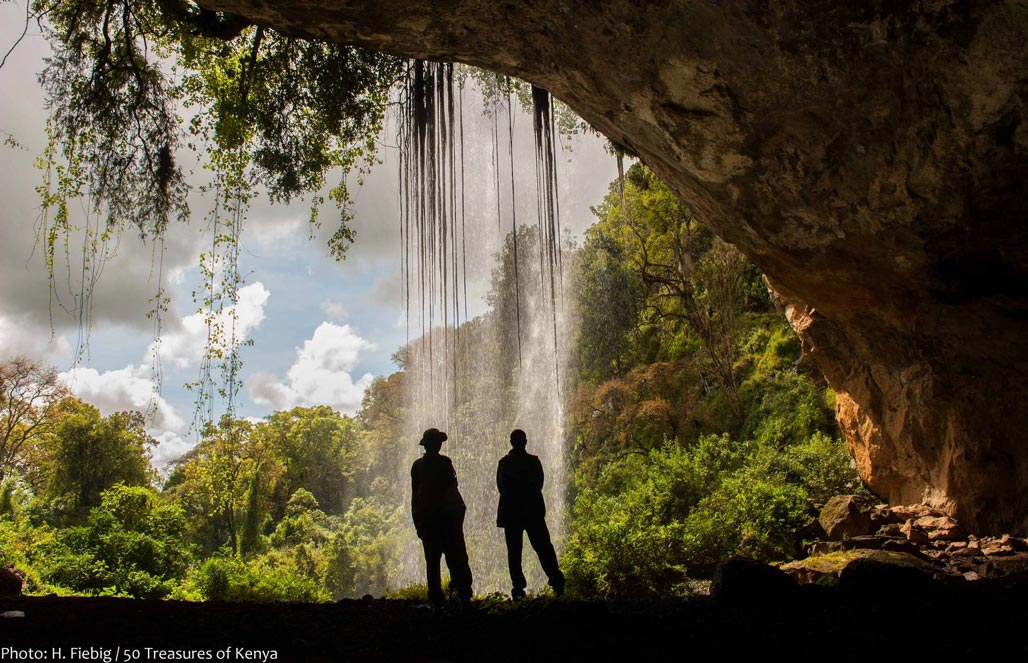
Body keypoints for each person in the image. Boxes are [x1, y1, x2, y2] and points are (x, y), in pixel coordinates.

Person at [496, 428, 565, 599]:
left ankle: (518, 589)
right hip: (533, 512)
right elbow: (539, 484)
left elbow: (502, 488)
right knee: (544, 547)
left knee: (514, 553)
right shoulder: (533, 461)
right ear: (525, 442)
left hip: (512, 514)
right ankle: (557, 581)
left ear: (511, 442)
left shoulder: (504, 463)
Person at [411, 427, 473, 612]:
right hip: (447, 521)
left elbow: (415, 497)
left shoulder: (417, 466)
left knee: (433, 562)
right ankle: (464, 597)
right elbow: (452, 488)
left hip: (428, 521)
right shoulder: (445, 463)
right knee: (457, 559)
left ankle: (437, 603)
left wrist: (417, 521)